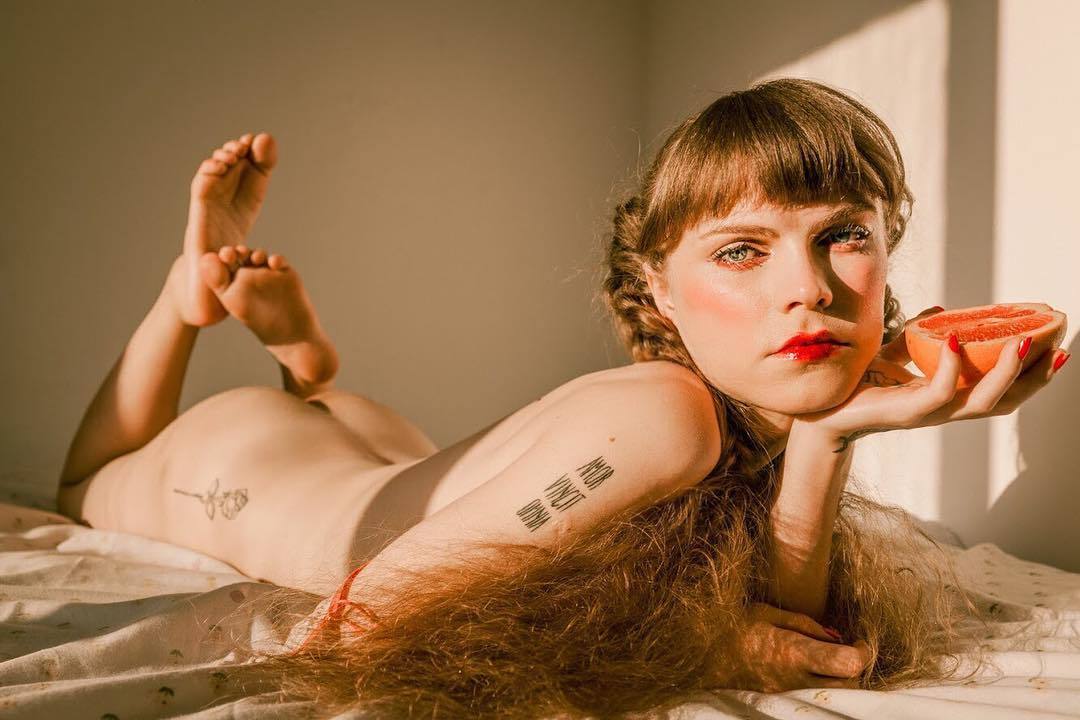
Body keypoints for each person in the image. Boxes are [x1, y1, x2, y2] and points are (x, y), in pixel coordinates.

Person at [55, 78, 1069, 717]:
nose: (806, 287)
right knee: (86, 482)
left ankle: (311, 373)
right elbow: (353, 624)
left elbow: (791, 625)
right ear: (661, 292)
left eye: (842, 235)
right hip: (240, 466)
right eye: (742, 251)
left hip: (386, 450)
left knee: (352, 423)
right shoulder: (665, 416)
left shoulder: (726, 424)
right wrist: (695, 645)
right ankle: (187, 299)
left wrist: (827, 436)